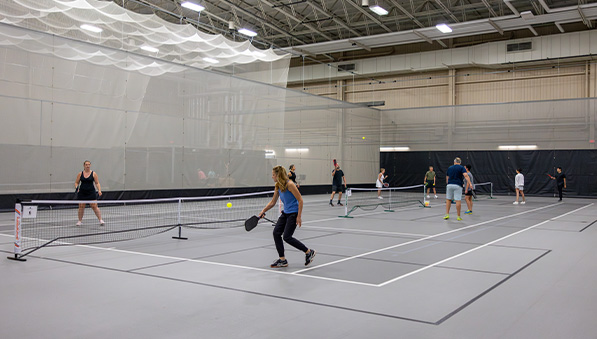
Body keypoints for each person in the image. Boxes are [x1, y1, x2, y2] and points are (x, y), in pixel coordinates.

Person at [259, 166, 315, 268]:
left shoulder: (290, 184)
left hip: (293, 213)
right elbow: (273, 202)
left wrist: (299, 216)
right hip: (285, 213)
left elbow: (300, 200)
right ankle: (282, 260)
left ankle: (308, 252)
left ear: (278, 175)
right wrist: (263, 211)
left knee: (287, 237)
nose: (272, 177)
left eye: (273, 175)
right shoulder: (278, 186)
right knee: (276, 233)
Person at [75, 160, 104, 226]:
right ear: (84, 166)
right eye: (86, 165)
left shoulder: (94, 174)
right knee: (81, 206)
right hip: (82, 192)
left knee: (94, 206)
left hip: (91, 192)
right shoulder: (80, 174)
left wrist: (99, 190)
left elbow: (97, 183)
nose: (88, 166)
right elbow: (76, 182)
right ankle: (79, 221)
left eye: (89, 165)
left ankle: (100, 220)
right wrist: (77, 188)